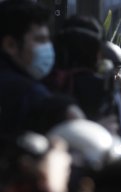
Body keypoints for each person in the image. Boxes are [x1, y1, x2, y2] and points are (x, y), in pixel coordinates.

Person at [0, 0, 78, 135]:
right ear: (10, 45)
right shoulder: (27, 93)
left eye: (48, 40)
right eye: (40, 40)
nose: (48, 48)